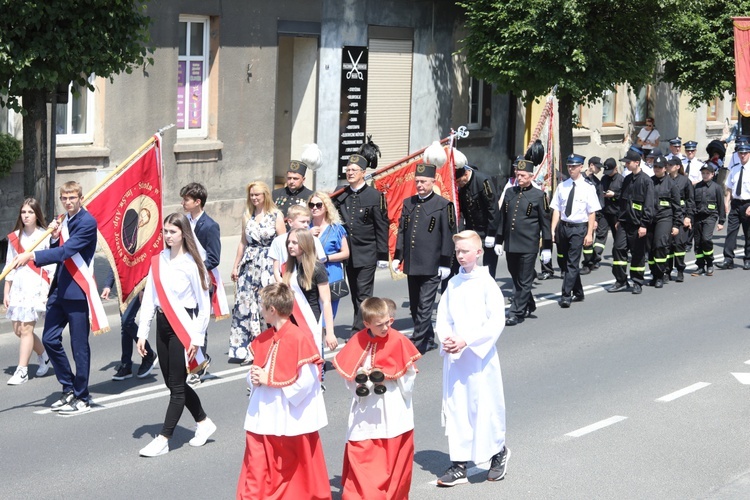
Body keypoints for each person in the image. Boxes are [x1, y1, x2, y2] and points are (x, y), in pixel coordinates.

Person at [12, 181, 107, 414]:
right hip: (59, 289)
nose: (68, 202)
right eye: (64, 198)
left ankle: (82, 395)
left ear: (81, 198)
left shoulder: (87, 222)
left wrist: (32, 255)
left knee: (79, 347)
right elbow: (58, 247)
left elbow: (67, 252)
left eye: (72, 197)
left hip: (77, 291)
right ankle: (68, 388)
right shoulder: (63, 220)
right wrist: (54, 236)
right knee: (50, 339)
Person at [236, 283, 330, 500]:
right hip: (263, 413)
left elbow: (307, 381)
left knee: (289, 465)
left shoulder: (298, 338)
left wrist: (269, 380)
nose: (260, 310)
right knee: (258, 463)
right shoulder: (265, 337)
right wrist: (253, 378)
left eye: (263, 306)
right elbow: (257, 371)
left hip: (287, 414)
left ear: (273, 310)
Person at [136, 213, 216, 457]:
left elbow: (204, 307)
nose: (167, 236)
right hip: (162, 323)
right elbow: (149, 298)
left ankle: (164, 438)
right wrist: (142, 332)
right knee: (172, 383)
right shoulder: (158, 260)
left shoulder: (192, 264)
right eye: (165, 231)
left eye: (172, 231)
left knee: (178, 387)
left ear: (183, 234)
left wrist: (196, 339)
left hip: (184, 326)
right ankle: (203, 422)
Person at [435, 230, 509, 487]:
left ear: (478, 253)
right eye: (457, 251)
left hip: (480, 358)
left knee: (484, 406)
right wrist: (447, 339)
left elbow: (496, 321)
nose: (460, 255)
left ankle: (498, 452)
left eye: (465, 251)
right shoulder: (453, 284)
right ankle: (459, 464)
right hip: (456, 359)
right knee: (457, 408)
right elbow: (443, 318)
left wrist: (467, 341)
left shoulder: (487, 284)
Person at [333, 297, 421, 499]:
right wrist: (360, 377)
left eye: (387, 322)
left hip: (391, 408)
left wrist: (391, 376)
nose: (385, 328)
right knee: (362, 455)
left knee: (390, 461)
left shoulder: (398, 340)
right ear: (367, 324)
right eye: (379, 325)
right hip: (365, 411)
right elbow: (349, 378)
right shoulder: (357, 341)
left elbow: (409, 380)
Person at [392, 161, 456, 354]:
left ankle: (417, 343)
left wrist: (446, 262)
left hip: (432, 264)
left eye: (423, 182)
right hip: (413, 263)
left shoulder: (444, 205)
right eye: (417, 181)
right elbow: (402, 231)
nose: (419, 185)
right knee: (414, 306)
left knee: (424, 306)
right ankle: (428, 339)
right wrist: (398, 257)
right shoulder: (408, 203)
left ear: (432, 181)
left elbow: (448, 235)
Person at [333, 141, 390, 332]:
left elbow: (382, 227)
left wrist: (383, 255)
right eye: (348, 169)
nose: (349, 173)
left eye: (354, 170)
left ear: (363, 173)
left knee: (363, 294)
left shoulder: (375, 196)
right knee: (355, 292)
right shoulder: (340, 194)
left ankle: (360, 330)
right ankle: (363, 325)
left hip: (367, 252)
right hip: (348, 253)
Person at [229, 181, 285, 362]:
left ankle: (271, 346)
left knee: (266, 306)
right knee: (246, 306)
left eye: (257, 195)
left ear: (265, 195)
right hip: (250, 264)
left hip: (268, 264)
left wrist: (283, 269)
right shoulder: (247, 215)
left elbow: (283, 242)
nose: (254, 198)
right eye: (252, 195)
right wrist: (236, 265)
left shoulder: (276, 215)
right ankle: (249, 349)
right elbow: (243, 242)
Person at [494, 159, 552, 326]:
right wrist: (499, 240)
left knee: (524, 280)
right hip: (512, 244)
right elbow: (503, 219)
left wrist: (546, 247)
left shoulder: (539, 196)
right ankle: (529, 303)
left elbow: (545, 224)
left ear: (531, 176)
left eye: (522, 175)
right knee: (517, 278)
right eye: (517, 175)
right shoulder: (510, 193)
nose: (519, 178)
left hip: (529, 245)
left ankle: (515, 312)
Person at [3, 198, 53, 385]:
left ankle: (22, 370)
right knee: (18, 329)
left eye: (30, 212)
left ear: (37, 214)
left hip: (36, 286)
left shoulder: (44, 235)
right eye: (24, 212)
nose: (26, 216)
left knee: (26, 329)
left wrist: (49, 288)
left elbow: (51, 264)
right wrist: (6, 291)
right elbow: (10, 265)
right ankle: (44, 355)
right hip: (18, 286)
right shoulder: (15, 236)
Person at [181, 182, 224, 384]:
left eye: (186, 200)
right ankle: (189, 360)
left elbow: (214, 258)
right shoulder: (183, 222)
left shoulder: (210, 225)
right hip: (184, 281)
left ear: (198, 202)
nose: (183, 203)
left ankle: (199, 364)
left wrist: (193, 269)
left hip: (201, 281)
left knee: (200, 323)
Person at [550, 154, 600, 307]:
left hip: (579, 228)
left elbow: (592, 212)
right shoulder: (562, 186)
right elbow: (557, 210)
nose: (571, 169)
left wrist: (589, 233)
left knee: (572, 262)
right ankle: (578, 291)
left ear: (580, 167)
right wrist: (553, 230)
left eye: (574, 166)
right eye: (569, 166)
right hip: (564, 227)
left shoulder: (588, 187)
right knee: (565, 261)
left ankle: (566, 295)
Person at [283, 228, 338, 355]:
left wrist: (330, 333)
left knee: (313, 362)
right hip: (292, 320)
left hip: (310, 320)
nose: (290, 246)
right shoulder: (289, 266)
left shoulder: (317, 268)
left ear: (305, 244)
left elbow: (326, 301)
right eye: (288, 242)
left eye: (294, 243)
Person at [609, 150, 655, 294]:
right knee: (618, 249)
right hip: (624, 222)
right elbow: (623, 201)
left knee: (637, 254)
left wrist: (644, 225)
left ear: (637, 162)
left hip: (638, 224)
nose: (626, 165)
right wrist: (619, 219)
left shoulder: (647, 181)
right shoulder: (627, 179)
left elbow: (649, 205)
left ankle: (637, 281)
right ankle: (621, 280)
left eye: (628, 162)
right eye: (625, 163)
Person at [102, 269, 156, 381]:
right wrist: (108, 285)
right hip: (123, 287)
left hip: (138, 285)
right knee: (124, 325)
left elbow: (146, 263)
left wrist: (144, 287)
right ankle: (126, 365)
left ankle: (149, 354)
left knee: (127, 321)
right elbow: (116, 262)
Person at [308, 191, 350, 318]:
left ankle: (327, 334)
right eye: (311, 205)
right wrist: (307, 235)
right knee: (312, 313)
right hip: (310, 273)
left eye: (318, 205)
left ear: (326, 207)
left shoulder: (336, 228)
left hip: (331, 272)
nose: (314, 208)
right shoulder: (305, 227)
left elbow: (346, 253)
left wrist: (327, 258)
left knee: (328, 313)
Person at [455, 161, 499, 277]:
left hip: (486, 228)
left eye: (459, 181)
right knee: (470, 261)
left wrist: (492, 233)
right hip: (472, 229)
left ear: (466, 174)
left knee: (488, 264)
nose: (459, 184)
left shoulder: (483, 181)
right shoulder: (462, 187)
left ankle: (488, 285)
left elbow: (492, 208)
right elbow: (464, 210)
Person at [646, 156, 682, 289]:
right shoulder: (649, 182)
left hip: (665, 218)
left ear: (665, 168)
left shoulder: (671, 184)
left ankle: (661, 275)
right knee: (650, 249)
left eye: (659, 167)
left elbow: (677, 207)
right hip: (650, 219)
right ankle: (654, 274)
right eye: (655, 167)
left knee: (660, 245)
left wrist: (677, 224)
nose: (657, 169)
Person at [269, 204, 325, 283]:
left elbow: (320, 264)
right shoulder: (278, 241)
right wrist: (283, 284)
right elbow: (276, 269)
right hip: (286, 281)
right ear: (290, 222)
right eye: (302, 222)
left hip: (308, 283)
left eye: (308, 222)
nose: (306, 225)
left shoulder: (314, 240)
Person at [718, 139, 750, 270]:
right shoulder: (735, 169)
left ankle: (748, 259)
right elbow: (730, 188)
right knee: (731, 232)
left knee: (748, 234)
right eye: (740, 153)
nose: (742, 155)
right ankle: (728, 259)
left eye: (745, 153)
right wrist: (727, 202)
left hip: (748, 204)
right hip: (736, 204)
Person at [691, 163, 726, 276]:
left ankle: (710, 263)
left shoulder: (716, 187)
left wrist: (721, 221)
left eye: (707, 173)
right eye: (703, 173)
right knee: (698, 243)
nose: (705, 175)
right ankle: (700, 266)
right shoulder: (697, 187)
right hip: (697, 217)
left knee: (706, 239)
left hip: (710, 217)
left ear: (712, 174)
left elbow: (721, 205)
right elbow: (691, 203)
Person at [665, 156, 695, 282]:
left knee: (678, 244)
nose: (668, 167)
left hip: (681, 216)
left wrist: (688, 217)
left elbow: (690, 200)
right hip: (667, 215)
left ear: (677, 167)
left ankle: (680, 270)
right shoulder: (665, 180)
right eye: (667, 165)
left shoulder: (685, 181)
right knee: (667, 246)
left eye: (671, 165)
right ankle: (667, 271)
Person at [580, 157, 606, 274]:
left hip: (590, 216)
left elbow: (599, 203)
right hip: (578, 214)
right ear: (591, 165)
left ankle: (588, 263)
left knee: (588, 241)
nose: (599, 170)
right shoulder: (579, 178)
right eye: (598, 167)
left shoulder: (597, 183)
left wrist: (596, 219)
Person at [598, 157, 624, 262]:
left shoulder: (621, 180)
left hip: (616, 213)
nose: (608, 174)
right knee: (600, 235)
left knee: (617, 237)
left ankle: (618, 257)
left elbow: (624, 197)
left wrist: (614, 195)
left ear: (616, 168)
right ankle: (594, 259)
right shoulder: (604, 179)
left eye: (610, 171)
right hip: (604, 212)